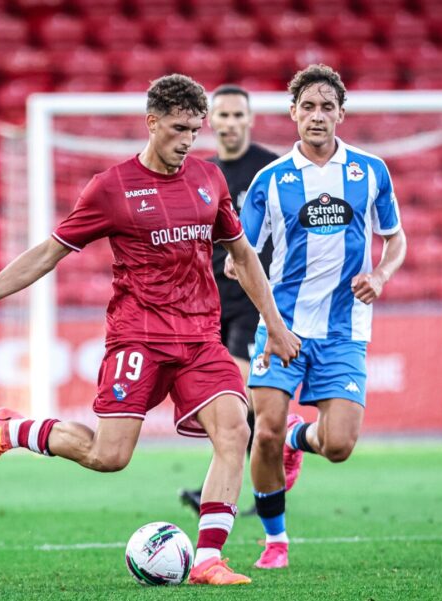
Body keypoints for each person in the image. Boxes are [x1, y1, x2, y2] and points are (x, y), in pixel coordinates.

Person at [0, 74, 301, 585]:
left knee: (233, 428)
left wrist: (275, 325)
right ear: (151, 122)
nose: (187, 141)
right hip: (139, 337)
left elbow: (242, 254)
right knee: (108, 456)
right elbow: (47, 253)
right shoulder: (112, 188)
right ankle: (10, 429)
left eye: (195, 131)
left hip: (200, 336)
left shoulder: (208, 180)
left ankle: (207, 561)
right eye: (178, 129)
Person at [234, 64, 407, 569]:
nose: (316, 115)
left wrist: (381, 275)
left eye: (326, 106)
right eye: (307, 106)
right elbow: (239, 258)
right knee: (261, 430)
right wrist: (273, 321)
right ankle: (276, 541)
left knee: (338, 445)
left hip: (344, 329)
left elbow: (394, 239)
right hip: (281, 327)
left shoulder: (371, 171)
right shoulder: (272, 181)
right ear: (292, 113)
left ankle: (297, 440)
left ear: (341, 114)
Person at [179, 84, 279, 516]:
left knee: (235, 394)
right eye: (224, 115)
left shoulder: (270, 169)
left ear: (250, 119)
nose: (232, 123)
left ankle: (222, 490)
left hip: (253, 305)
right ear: (211, 121)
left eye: (240, 115)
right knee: (231, 401)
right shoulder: (200, 173)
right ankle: (253, 482)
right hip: (208, 304)